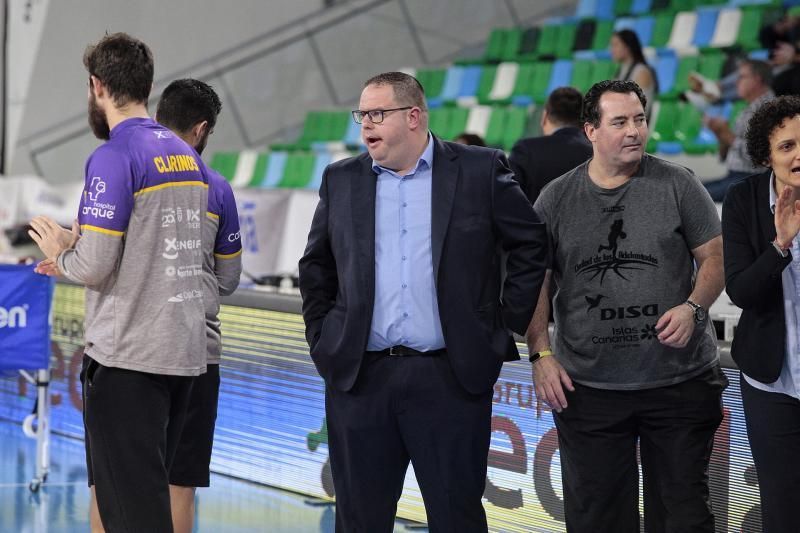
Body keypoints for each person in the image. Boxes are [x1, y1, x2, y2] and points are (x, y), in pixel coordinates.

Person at [298, 71, 547, 532]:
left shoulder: (479, 169)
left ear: (413, 117)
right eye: (361, 115)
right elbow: (316, 268)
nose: (365, 125)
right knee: (358, 522)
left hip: (449, 379)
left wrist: (501, 321)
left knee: (456, 518)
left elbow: (531, 242)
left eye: (377, 114)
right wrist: (324, 338)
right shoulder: (341, 179)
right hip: (361, 381)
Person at [527, 79, 726, 532]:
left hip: (678, 384)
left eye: (640, 119)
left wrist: (694, 307)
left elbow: (715, 257)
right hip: (590, 391)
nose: (634, 131)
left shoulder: (679, 183)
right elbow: (535, 282)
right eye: (620, 122)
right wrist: (540, 353)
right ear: (590, 130)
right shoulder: (556, 198)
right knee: (597, 519)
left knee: (684, 517)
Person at [28, 33, 209, 532]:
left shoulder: (113, 155)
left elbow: (95, 266)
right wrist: (78, 243)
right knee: (149, 500)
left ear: (97, 86)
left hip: (130, 360)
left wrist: (62, 253)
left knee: (131, 514)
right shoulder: (184, 154)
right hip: (182, 358)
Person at [82, 78, 244, 533]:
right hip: (195, 352)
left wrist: (65, 255)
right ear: (202, 129)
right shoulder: (214, 184)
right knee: (176, 486)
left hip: (130, 350)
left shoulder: (123, 161)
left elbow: (97, 261)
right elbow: (228, 279)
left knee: (111, 486)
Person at [722, 95, 800, 533]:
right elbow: (741, 291)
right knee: (783, 510)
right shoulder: (742, 201)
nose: (798, 155)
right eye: (786, 146)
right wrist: (780, 246)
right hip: (772, 383)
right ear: (766, 156)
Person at [704, 59, 775, 202]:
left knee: (692, 195)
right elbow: (729, 152)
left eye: (741, 77)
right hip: (736, 176)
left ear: (757, 79)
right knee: (691, 188)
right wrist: (719, 133)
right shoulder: (750, 107)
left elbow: (759, 158)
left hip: (753, 180)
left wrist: (728, 135)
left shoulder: (768, 109)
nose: (736, 82)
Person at [509, 86, 593, 204]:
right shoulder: (596, 152)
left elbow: (508, 200)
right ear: (584, 121)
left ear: (544, 117)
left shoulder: (526, 150)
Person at [611, 29, 658, 117]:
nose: (612, 50)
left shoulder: (641, 72)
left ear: (627, 47)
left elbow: (642, 109)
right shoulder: (620, 71)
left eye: (616, 45)